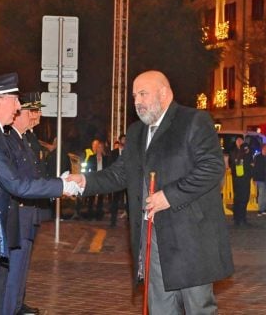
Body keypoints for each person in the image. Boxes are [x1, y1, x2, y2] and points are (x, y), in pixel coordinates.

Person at [67, 70, 233, 314]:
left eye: (143, 94)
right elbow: (120, 174)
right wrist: (84, 181)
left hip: (191, 240)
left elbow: (212, 168)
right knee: (160, 308)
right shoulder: (135, 133)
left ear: (164, 93)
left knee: (199, 308)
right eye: (135, 96)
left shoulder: (193, 121)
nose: (137, 102)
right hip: (153, 239)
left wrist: (169, 196)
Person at [0, 73, 79, 314]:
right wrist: (61, 186)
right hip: (1, 219)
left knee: (5, 281)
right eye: (15, 100)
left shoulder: (0, 134)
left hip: (9, 217)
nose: (18, 107)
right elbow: (17, 183)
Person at [3, 92, 45, 315]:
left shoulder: (25, 139)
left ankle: (17, 305)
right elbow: (19, 181)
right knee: (14, 269)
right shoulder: (10, 139)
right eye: (31, 111)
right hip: (18, 213)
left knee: (21, 268)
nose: (35, 116)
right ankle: (12, 308)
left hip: (28, 212)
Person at [229, 137, 253, 226]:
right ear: (236, 143)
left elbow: (250, 162)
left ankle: (241, 218)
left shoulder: (246, 151)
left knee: (243, 199)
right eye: (238, 141)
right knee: (239, 199)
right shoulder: (235, 152)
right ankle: (239, 219)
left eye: (241, 141)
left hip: (244, 179)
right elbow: (232, 164)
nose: (240, 142)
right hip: (238, 180)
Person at [109, 134, 128, 226]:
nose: (124, 141)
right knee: (115, 200)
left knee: (129, 200)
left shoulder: (130, 152)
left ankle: (129, 221)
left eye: (126, 140)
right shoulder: (113, 153)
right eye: (123, 139)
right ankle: (113, 221)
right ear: (120, 141)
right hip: (117, 180)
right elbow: (111, 165)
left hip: (127, 180)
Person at [253, 143, 266, 215]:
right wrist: (255, 179)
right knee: (261, 194)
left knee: (265, 194)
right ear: (263, 148)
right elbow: (255, 168)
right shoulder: (258, 157)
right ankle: (260, 209)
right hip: (260, 178)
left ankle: (263, 208)